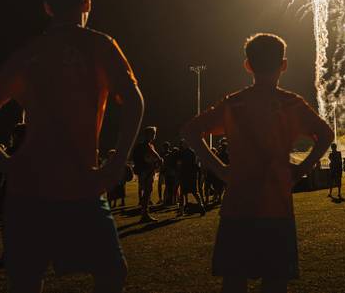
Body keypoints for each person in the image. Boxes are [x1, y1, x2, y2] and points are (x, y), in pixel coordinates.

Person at [0, 0, 144, 293]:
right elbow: (134, 102)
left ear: (46, 7)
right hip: (82, 185)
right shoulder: (100, 46)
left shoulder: (29, 52)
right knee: (112, 273)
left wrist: (3, 161)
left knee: (27, 280)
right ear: (87, 3)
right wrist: (116, 163)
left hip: (28, 190)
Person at [183, 33, 333, 293]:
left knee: (234, 280)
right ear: (283, 65)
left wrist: (220, 169)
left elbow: (191, 131)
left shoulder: (235, 103)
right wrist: (301, 169)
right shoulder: (291, 104)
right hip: (276, 206)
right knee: (275, 281)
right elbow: (326, 135)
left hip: (238, 206)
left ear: (248, 65)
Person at [132, 126, 163, 222]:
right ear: (148, 134)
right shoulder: (145, 146)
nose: (154, 135)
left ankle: (145, 213)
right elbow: (154, 157)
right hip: (146, 172)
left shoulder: (144, 145)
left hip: (146, 172)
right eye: (153, 133)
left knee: (147, 193)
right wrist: (159, 160)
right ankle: (144, 214)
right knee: (147, 193)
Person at [176, 140, 206, 216]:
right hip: (192, 175)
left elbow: (179, 164)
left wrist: (179, 173)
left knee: (183, 193)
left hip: (185, 175)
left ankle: (181, 211)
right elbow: (195, 164)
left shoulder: (182, 153)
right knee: (195, 192)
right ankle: (201, 206)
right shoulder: (192, 152)